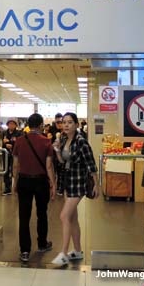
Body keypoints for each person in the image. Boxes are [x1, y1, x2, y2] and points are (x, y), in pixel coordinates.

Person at [51, 112, 98, 265]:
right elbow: (62, 162)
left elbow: (91, 165)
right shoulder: (64, 139)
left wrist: (96, 184)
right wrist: (57, 151)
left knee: (64, 216)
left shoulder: (81, 142)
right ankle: (77, 251)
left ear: (77, 125)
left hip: (79, 183)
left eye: (70, 122)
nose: (66, 125)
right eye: (64, 122)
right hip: (67, 182)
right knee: (72, 218)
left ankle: (64, 253)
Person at [12, 113, 57, 262]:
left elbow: (15, 165)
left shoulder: (19, 141)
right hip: (40, 182)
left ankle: (24, 251)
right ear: (40, 125)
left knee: (23, 216)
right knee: (41, 213)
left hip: (24, 181)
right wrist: (53, 184)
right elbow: (49, 166)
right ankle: (42, 244)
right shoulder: (46, 142)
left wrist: (14, 182)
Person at [1, 119, 21, 195]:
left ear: (15, 125)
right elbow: (2, 143)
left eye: (13, 124)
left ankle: (17, 186)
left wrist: (12, 145)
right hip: (6, 154)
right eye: (9, 124)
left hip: (15, 154)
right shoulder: (4, 133)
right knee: (5, 170)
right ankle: (7, 187)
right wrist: (5, 144)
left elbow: (20, 143)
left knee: (15, 170)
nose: (11, 125)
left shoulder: (19, 133)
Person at [48, 113, 65, 195]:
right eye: (57, 122)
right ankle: (52, 185)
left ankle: (60, 187)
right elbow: (48, 141)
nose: (59, 124)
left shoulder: (66, 130)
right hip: (52, 154)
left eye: (60, 122)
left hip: (62, 154)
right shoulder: (51, 129)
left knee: (61, 171)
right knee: (52, 170)